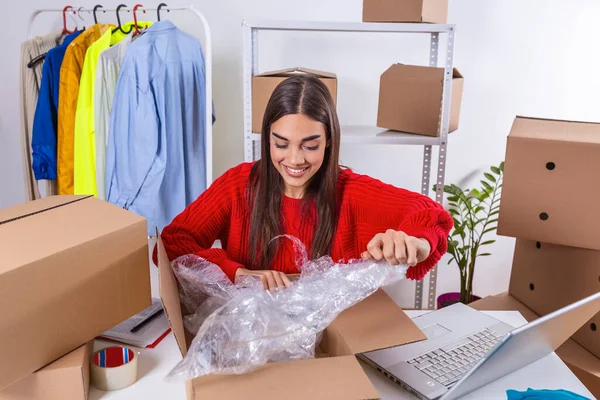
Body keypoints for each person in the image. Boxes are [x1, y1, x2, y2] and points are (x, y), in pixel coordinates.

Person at [157, 74, 453, 290]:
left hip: (333, 343)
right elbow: (172, 242)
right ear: (267, 140)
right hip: (250, 340)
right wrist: (236, 272)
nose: (295, 160)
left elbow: (430, 215)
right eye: (281, 144)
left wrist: (414, 244)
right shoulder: (238, 186)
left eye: (310, 146)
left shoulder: (351, 194)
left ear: (328, 142)